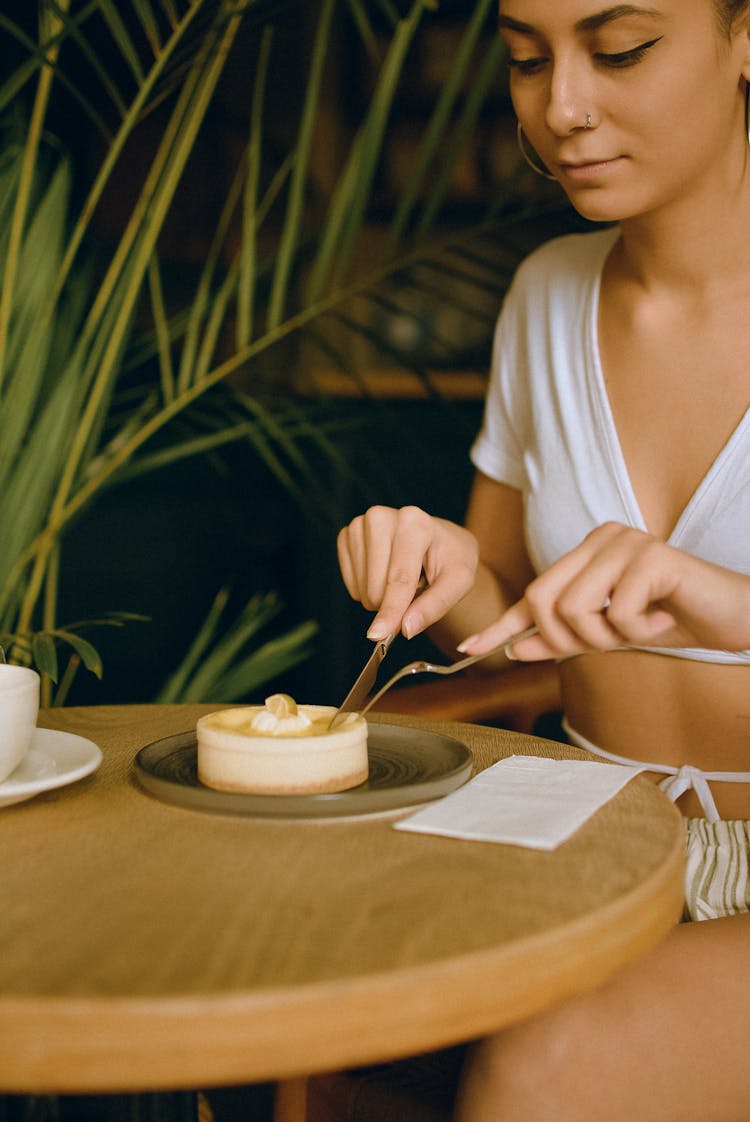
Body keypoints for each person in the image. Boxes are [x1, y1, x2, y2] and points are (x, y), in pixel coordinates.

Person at [336, 1, 750, 1118]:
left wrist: (730, 608)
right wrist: (442, 564)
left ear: (745, 33)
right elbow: (506, 632)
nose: (561, 107)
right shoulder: (546, 294)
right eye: (526, 58)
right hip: (585, 846)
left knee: (554, 1067)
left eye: (620, 50)